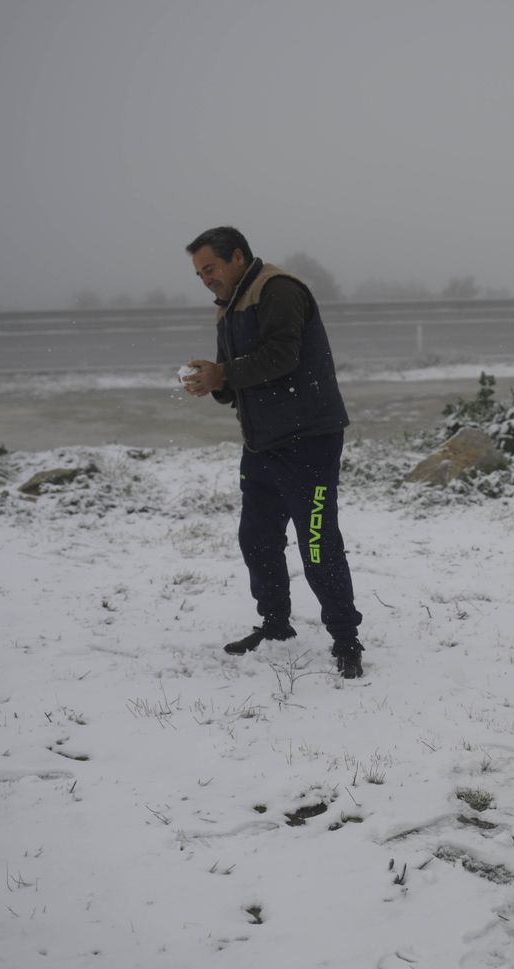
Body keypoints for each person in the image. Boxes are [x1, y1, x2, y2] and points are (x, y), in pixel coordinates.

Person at [180, 226, 365, 679]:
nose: (205, 278)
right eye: (199, 272)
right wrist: (213, 382)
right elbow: (239, 381)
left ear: (238, 257)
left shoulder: (277, 289)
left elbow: (282, 357)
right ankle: (276, 624)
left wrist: (224, 374)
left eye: (211, 268)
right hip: (262, 444)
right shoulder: (228, 306)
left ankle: (346, 639)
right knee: (257, 539)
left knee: (318, 544)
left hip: (310, 440)